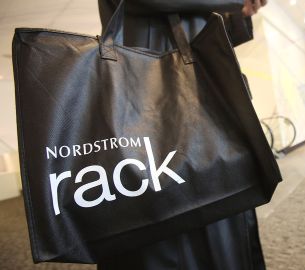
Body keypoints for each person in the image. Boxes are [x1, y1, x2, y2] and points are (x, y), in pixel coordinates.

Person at [97, 0, 268, 269]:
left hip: (200, 86)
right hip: (152, 86)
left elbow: (210, 30)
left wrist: (241, 10)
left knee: (221, 203)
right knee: (171, 220)